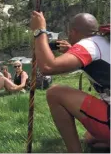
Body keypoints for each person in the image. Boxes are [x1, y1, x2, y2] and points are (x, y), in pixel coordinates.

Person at [31, 12, 110, 152]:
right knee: (89, 137)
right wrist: (71, 51)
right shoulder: (103, 41)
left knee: (55, 93)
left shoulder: (88, 45)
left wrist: (39, 31)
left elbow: (48, 67)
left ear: (73, 31)